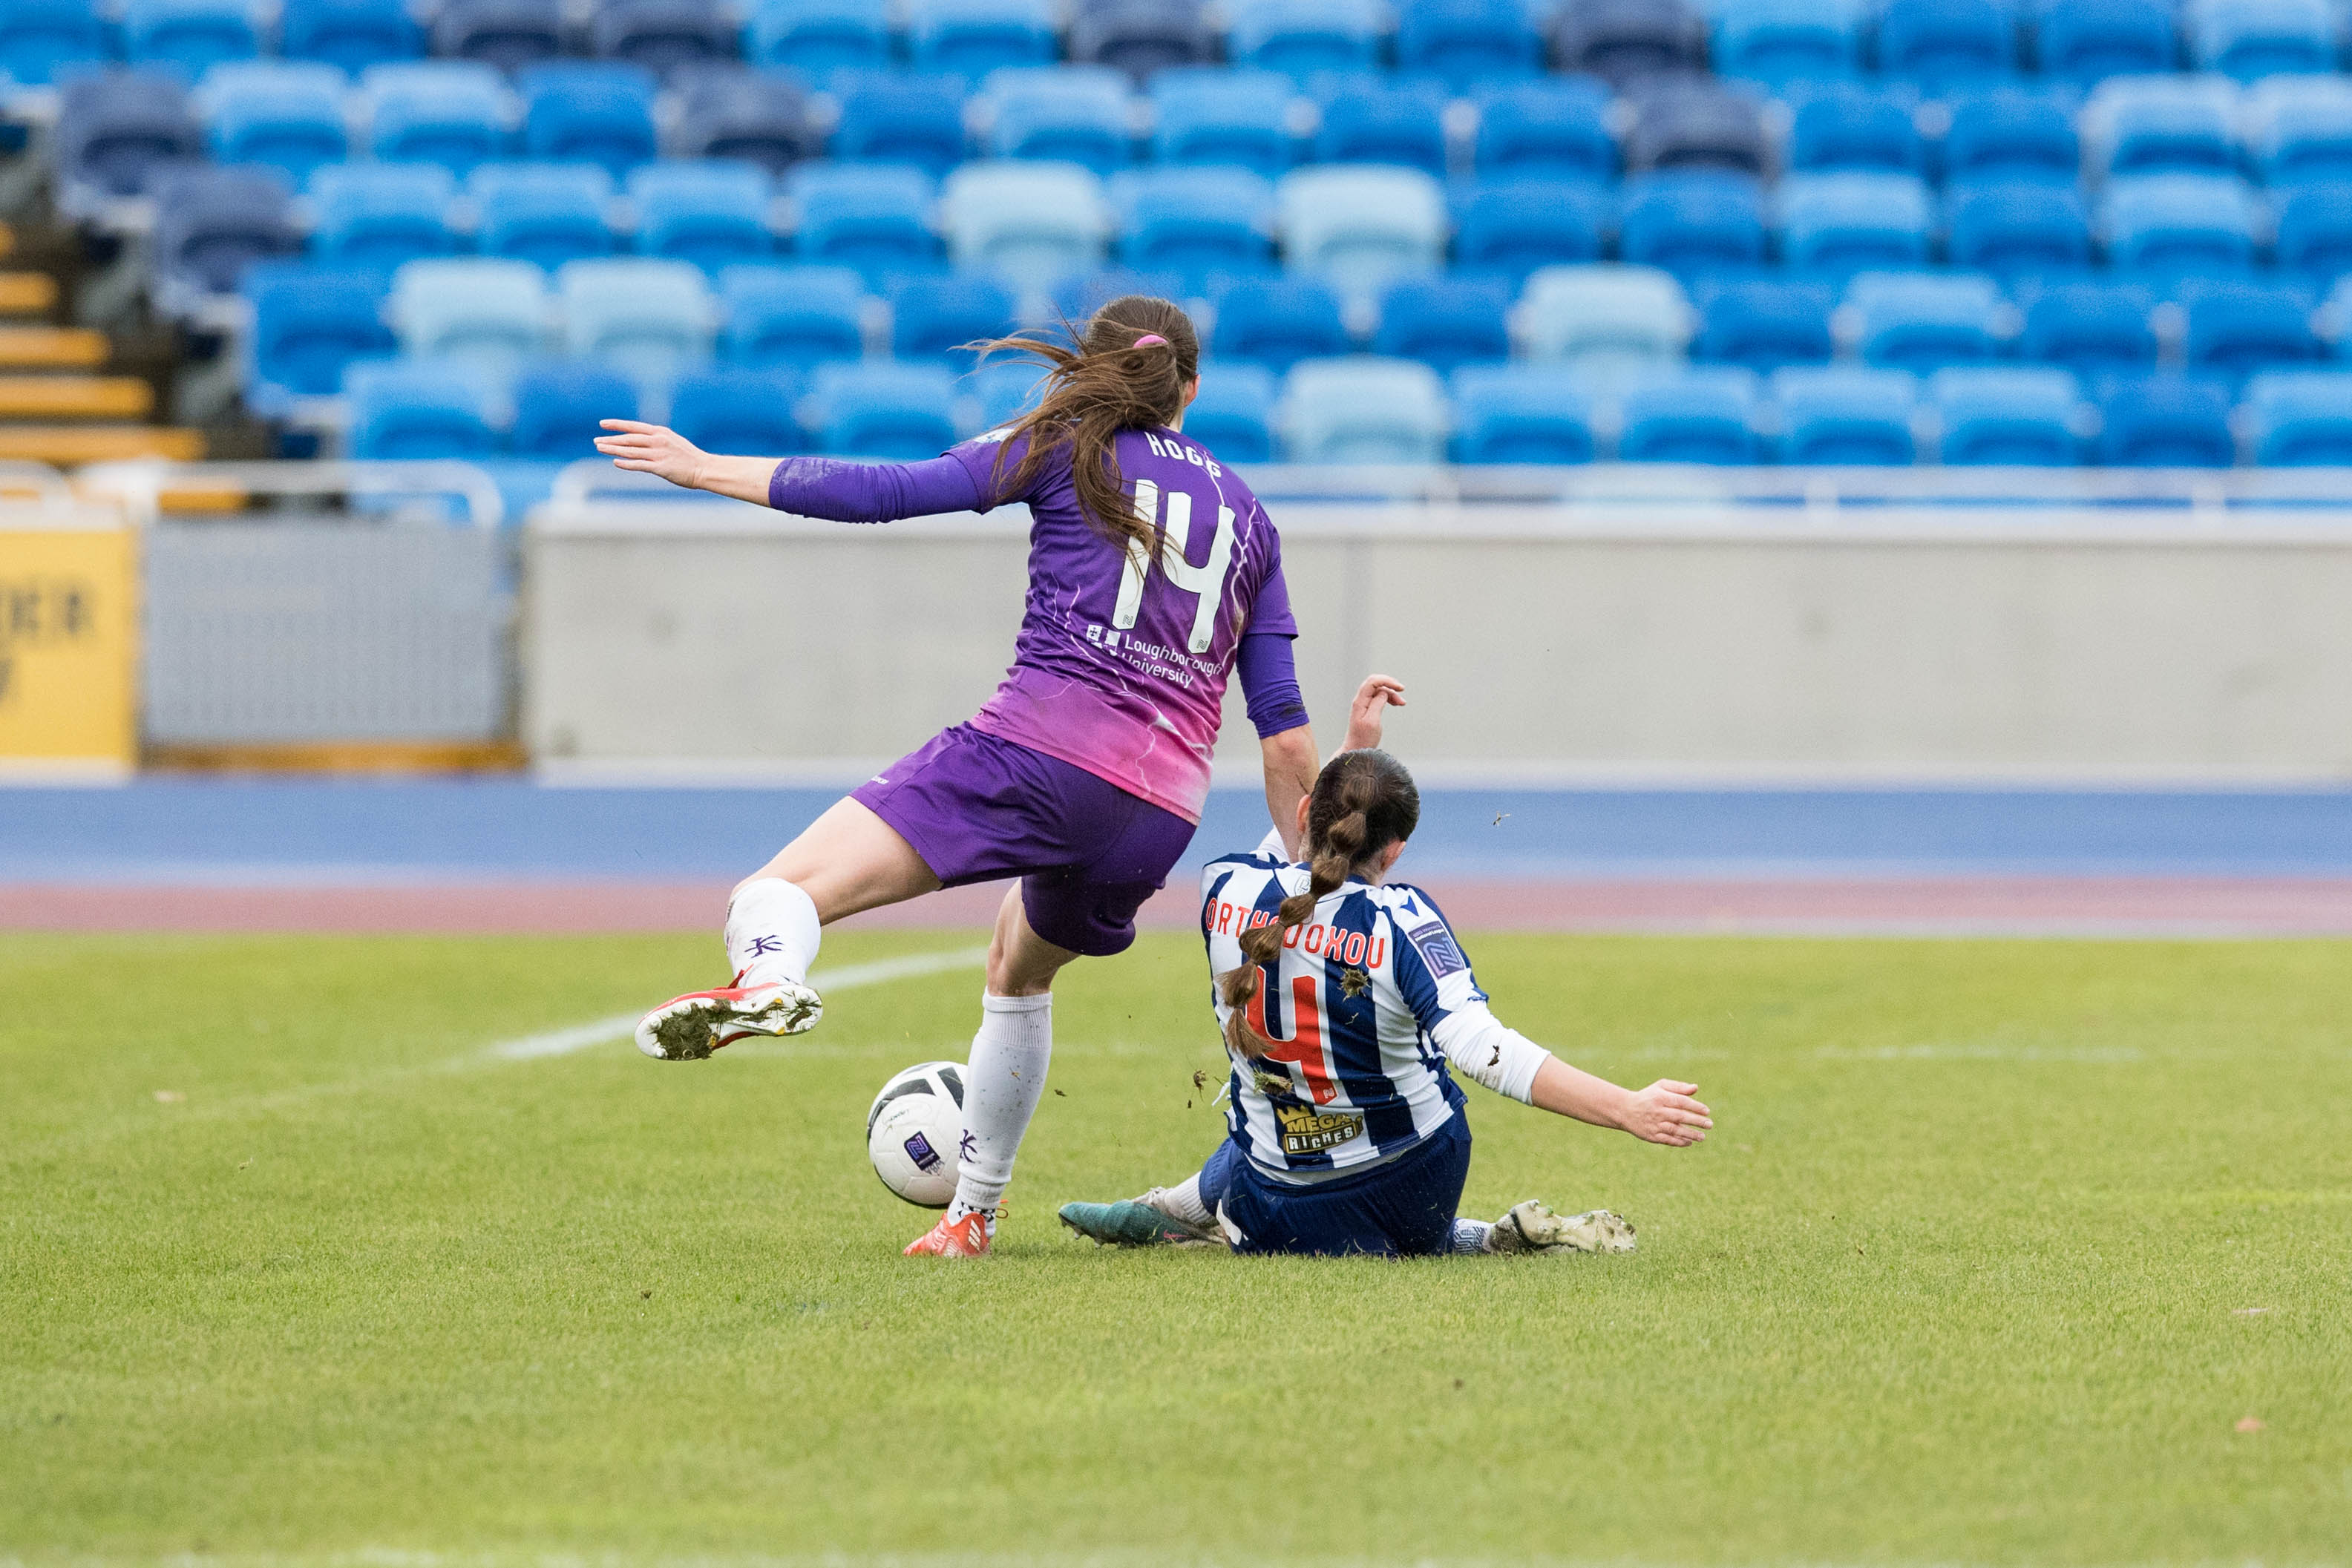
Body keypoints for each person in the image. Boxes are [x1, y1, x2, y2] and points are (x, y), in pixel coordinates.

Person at [591, 296, 1324, 1259]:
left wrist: (704, 470)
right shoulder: (1252, 519)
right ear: (1192, 389)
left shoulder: (1064, 444)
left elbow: (888, 490)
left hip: (1033, 755)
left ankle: (766, 978)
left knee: (776, 891)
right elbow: (1283, 740)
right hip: (1156, 817)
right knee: (1016, 974)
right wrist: (1319, 884)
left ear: (1089, 374)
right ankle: (969, 1215)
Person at [1056, 680, 1713, 1259]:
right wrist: (1627, 1107)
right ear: (1395, 851)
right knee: (1402, 1106)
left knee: (1268, 1110)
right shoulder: (1399, 919)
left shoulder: (1223, 886)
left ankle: (1176, 1208)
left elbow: (1301, 846)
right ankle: (1472, 1236)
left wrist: (1351, 748)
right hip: (1410, 1187)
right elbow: (1486, 1052)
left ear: (1309, 811)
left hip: (1273, 1211)